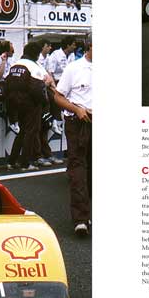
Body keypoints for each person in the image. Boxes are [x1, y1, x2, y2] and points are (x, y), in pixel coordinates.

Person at [54, 36, 93, 236]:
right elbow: (58, 96)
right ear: (91, 47)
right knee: (78, 167)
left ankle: (88, 211)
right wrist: (76, 109)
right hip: (78, 121)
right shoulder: (74, 68)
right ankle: (81, 219)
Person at [5, 41, 47, 171]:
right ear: (36, 54)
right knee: (30, 132)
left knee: (22, 132)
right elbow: (37, 89)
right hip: (31, 104)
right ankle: (25, 163)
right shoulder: (34, 67)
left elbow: (6, 85)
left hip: (14, 103)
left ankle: (12, 161)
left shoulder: (15, 65)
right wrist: (44, 103)